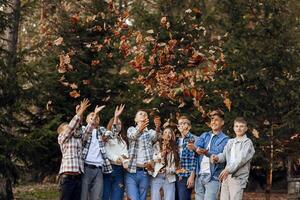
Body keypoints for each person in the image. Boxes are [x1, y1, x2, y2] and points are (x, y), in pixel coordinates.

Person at [211, 117, 255, 200]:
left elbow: (241, 159)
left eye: (241, 126)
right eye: (237, 126)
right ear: (234, 128)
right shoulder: (230, 141)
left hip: (238, 178)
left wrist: (228, 170)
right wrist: (217, 158)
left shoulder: (247, 143)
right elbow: (224, 155)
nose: (239, 128)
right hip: (226, 177)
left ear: (246, 128)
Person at [57, 98, 93, 200]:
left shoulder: (77, 139)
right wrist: (80, 112)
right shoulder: (62, 138)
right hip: (67, 177)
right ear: (61, 131)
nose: (69, 127)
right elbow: (71, 127)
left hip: (78, 177)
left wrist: (87, 116)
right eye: (66, 127)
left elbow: (86, 132)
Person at [190, 110, 229, 200]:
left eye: (216, 120)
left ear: (222, 122)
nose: (213, 122)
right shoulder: (205, 135)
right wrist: (197, 148)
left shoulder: (225, 139)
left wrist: (203, 151)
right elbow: (197, 144)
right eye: (212, 120)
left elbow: (217, 153)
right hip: (200, 175)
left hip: (213, 176)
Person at [125, 110, 161, 200]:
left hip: (145, 172)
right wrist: (140, 129)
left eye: (145, 114)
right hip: (131, 172)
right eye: (140, 114)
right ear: (135, 119)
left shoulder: (150, 132)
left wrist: (157, 127)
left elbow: (156, 137)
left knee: (142, 198)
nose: (143, 115)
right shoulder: (131, 129)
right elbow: (133, 136)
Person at [81, 105, 113, 200]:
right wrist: (95, 113)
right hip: (86, 166)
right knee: (83, 195)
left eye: (96, 118)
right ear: (87, 120)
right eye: (91, 117)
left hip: (99, 168)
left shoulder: (101, 130)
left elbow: (112, 133)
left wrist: (115, 118)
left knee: (97, 197)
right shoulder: (84, 129)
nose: (94, 119)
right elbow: (86, 133)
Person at [103, 104, 129, 200]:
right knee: (105, 195)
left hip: (119, 170)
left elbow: (125, 153)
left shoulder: (123, 140)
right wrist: (115, 158)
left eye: (119, 124)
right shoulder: (107, 135)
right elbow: (105, 150)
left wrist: (124, 158)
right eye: (116, 123)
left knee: (118, 195)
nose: (118, 125)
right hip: (108, 169)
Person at [151, 126, 179, 200]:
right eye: (165, 132)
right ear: (162, 135)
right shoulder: (157, 145)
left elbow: (177, 167)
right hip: (157, 176)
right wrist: (161, 154)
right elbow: (153, 159)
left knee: (170, 198)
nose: (167, 134)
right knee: (155, 198)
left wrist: (168, 170)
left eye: (170, 133)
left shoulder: (176, 148)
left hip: (170, 177)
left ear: (172, 136)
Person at [176, 116, 197, 200]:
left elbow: (195, 159)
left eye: (185, 123)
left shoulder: (193, 139)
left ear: (189, 126)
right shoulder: (177, 140)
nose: (182, 125)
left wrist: (192, 175)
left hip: (186, 176)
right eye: (180, 123)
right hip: (176, 175)